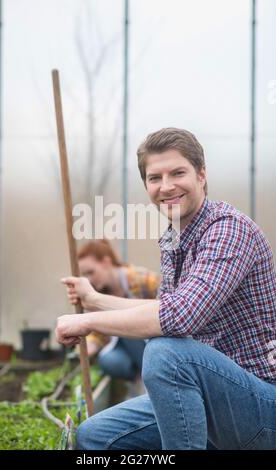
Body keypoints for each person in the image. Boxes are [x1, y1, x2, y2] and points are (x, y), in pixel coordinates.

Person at [56, 128, 276, 450]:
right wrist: (94, 300)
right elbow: (162, 307)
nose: (166, 186)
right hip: (211, 397)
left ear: (201, 175)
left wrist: (88, 323)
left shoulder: (229, 230)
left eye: (178, 173)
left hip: (262, 405)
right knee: (96, 435)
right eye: (154, 177)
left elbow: (178, 317)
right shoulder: (174, 238)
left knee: (166, 353)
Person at [63, 239, 160, 381]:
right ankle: (142, 380)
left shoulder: (145, 280)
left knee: (126, 321)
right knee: (109, 361)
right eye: (84, 275)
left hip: (153, 342)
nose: (88, 280)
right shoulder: (99, 291)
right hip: (128, 348)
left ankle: (154, 377)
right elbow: (100, 332)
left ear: (106, 263)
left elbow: (169, 309)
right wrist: (90, 345)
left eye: (90, 272)